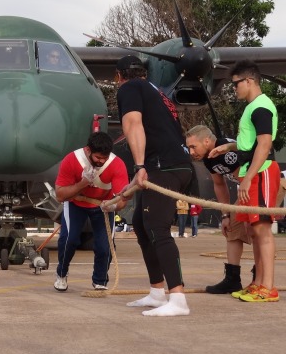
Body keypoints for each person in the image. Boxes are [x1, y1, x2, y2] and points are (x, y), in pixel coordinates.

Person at [115, 55, 193, 316]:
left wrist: (138, 167)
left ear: (118, 76)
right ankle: (157, 292)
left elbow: (133, 124)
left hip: (164, 166)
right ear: (144, 73)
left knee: (157, 228)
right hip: (177, 163)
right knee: (140, 224)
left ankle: (178, 298)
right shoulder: (157, 92)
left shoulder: (129, 88)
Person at [208, 59, 280, 302]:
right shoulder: (253, 107)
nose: (234, 88)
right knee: (253, 229)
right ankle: (258, 282)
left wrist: (248, 178)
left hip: (261, 172)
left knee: (262, 229)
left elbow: (265, 143)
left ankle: (267, 287)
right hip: (252, 173)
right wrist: (228, 146)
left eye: (236, 84)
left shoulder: (261, 107)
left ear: (249, 81)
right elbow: (250, 143)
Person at [53, 132, 129, 292]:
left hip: (103, 206)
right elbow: (60, 195)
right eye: (98, 157)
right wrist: (82, 183)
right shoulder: (72, 160)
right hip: (75, 203)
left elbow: (123, 198)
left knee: (105, 245)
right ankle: (61, 274)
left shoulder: (116, 164)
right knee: (69, 240)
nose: (101, 161)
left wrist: (113, 206)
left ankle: (100, 280)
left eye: (105, 157)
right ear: (88, 150)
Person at [185, 124, 255, 294]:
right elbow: (219, 184)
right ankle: (232, 279)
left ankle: (260, 278)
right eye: (189, 148)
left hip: (262, 184)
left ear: (207, 141)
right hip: (246, 190)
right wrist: (225, 215)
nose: (191, 152)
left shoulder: (227, 150)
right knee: (232, 228)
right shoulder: (209, 159)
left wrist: (247, 213)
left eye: (193, 146)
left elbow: (248, 175)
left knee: (257, 229)